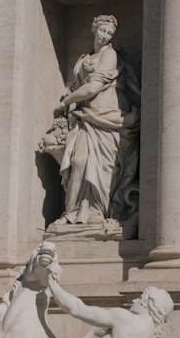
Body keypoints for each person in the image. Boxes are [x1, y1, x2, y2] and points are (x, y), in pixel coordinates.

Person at [53, 14, 138, 226]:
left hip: (105, 114)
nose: (105, 36)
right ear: (94, 28)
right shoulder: (84, 57)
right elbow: (79, 86)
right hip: (84, 117)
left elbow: (93, 88)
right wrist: (72, 104)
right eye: (103, 31)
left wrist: (65, 102)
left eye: (110, 33)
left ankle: (97, 211)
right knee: (78, 161)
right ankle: (72, 212)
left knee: (102, 165)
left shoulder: (110, 55)